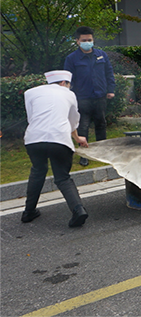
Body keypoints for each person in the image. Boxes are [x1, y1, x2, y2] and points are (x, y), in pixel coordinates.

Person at [22, 70, 90, 227]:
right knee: (62, 177)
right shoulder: (69, 94)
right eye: (68, 84)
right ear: (63, 83)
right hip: (59, 139)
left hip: (34, 139)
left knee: (38, 172)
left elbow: (32, 118)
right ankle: (78, 210)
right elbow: (73, 121)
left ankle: (28, 212)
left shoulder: (30, 93)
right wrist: (77, 138)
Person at [64, 26, 115, 166]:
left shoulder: (101, 55)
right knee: (83, 126)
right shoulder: (72, 58)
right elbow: (67, 79)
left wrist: (111, 90)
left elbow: (109, 73)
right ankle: (84, 154)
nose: (87, 42)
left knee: (101, 123)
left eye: (89, 40)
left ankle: (102, 151)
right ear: (77, 41)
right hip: (82, 97)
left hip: (100, 96)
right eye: (84, 40)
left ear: (93, 40)